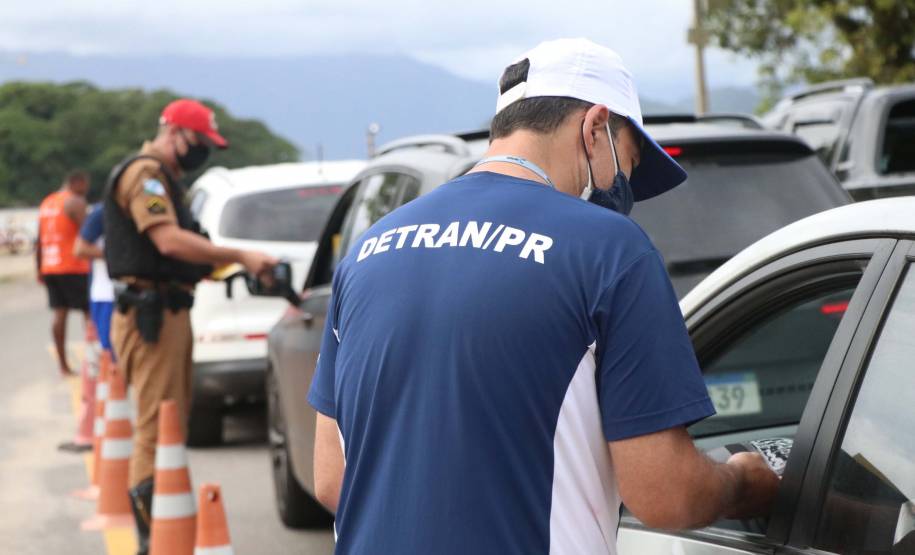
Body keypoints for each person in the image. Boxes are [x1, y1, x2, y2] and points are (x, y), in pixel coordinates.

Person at [308, 38, 780, 554]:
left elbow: (333, 479)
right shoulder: (608, 249)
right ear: (595, 126)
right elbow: (666, 495)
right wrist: (742, 480)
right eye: (631, 157)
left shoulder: (369, 249)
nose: (626, 183)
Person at [104, 98, 277, 555]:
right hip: (151, 315)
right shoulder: (145, 175)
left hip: (166, 310)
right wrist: (239, 255)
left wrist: (226, 265)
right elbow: (168, 241)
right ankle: (155, 537)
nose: (203, 152)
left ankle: (163, 526)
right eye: (200, 142)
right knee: (156, 426)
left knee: (168, 423)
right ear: (175, 132)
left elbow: (183, 250)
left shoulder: (166, 179)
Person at [37, 171, 91, 377]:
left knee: (60, 314)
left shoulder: (48, 203)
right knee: (89, 314)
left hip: (50, 267)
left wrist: (39, 269)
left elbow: (39, 240)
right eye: (84, 186)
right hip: (74, 265)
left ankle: (63, 366)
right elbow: (90, 233)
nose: (85, 191)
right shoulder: (75, 202)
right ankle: (93, 361)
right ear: (77, 182)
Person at [75, 203, 115, 356]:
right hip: (106, 295)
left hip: (135, 295)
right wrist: (121, 256)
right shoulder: (102, 212)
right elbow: (79, 249)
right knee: (110, 354)